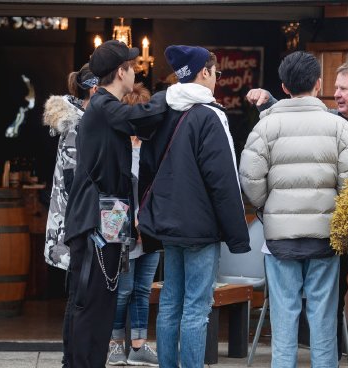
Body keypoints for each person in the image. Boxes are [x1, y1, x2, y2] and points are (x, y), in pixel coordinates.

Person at [246, 61, 348, 367]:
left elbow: (250, 180)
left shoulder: (265, 126)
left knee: (284, 314)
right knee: (324, 314)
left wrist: (268, 208)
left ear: (285, 88)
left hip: (280, 240)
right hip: (326, 237)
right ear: (318, 84)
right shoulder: (338, 126)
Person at [135, 45, 251, 368]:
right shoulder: (210, 116)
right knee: (197, 307)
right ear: (205, 73)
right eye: (216, 73)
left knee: (171, 301)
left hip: (169, 225)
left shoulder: (162, 109)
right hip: (200, 228)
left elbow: (146, 164)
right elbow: (222, 180)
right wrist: (237, 233)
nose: (217, 78)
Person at [63, 40, 167, 368]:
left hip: (109, 215)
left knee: (101, 300)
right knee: (91, 302)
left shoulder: (106, 106)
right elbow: (142, 116)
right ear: (121, 71)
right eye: (132, 68)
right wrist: (174, 94)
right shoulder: (105, 105)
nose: (136, 73)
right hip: (95, 219)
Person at [43, 63, 98, 368]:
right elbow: (74, 181)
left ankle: (72, 360)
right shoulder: (77, 124)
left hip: (74, 222)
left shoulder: (79, 119)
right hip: (75, 225)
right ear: (94, 87)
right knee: (79, 297)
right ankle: (71, 361)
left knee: (77, 297)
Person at [107, 83, 159, 367]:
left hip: (150, 227)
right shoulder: (116, 145)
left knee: (142, 289)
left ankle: (138, 344)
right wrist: (130, 222)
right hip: (121, 227)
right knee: (123, 289)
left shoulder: (152, 145)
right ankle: (115, 344)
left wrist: (146, 221)